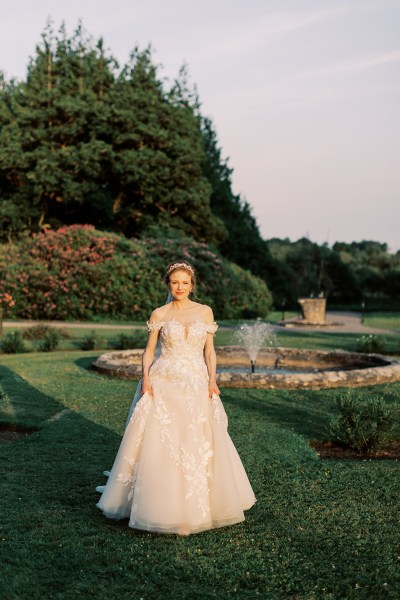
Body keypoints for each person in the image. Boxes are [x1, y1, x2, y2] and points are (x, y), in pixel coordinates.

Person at [96, 261, 256, 535]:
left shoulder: (204, 312)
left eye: (184, 282)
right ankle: (160, 503)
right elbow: (149, 351)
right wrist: (146, 378)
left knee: (197, 436)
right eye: (174, 282)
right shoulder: (159, 313)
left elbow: (209, 352)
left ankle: (200, 503)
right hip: (164, 380)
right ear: (168, 284)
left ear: (192, 285)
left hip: (195, 381)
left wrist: (212, 379)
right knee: (163, 438)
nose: (179, 287)